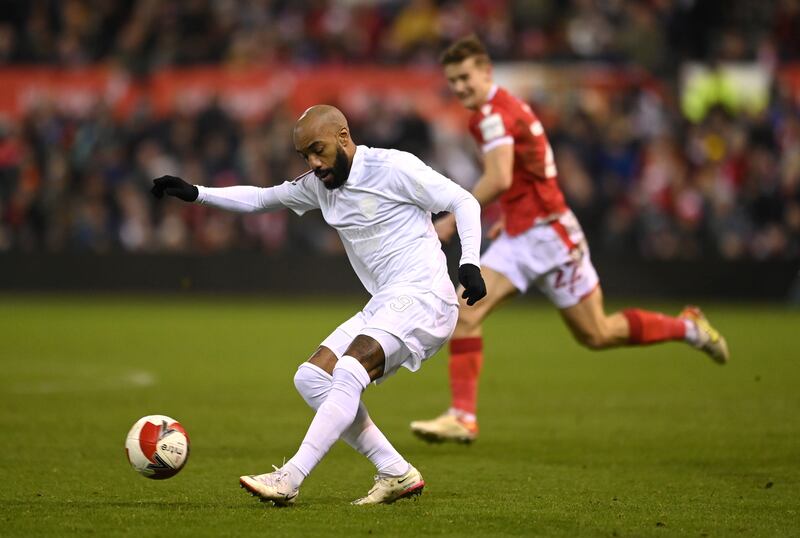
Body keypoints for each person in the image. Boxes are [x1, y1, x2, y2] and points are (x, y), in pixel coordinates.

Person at [151, 105, 486, 505]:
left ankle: (289, 477)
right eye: (304, 156)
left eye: (318, 150)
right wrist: (197, 193)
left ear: (343, 136)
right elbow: (261, 199)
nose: (313, 163)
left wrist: (469, 262)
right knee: (311, 378)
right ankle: (396, 471)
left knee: (348, 369)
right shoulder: (318, 185)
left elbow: (464, 201)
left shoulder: (393, 167)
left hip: (425, 297)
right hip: (386, 302)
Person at [410, 35, 729, 444]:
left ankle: (687, 327)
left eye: (466, 77)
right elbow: (529, 172)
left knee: (597, 333)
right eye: (453, 80)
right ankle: (463, 416)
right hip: (526, 233)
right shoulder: (504, 108)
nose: (459, 87)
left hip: (550, 236)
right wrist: (511, 214)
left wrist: (454, 218)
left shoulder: (492, 115)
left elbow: (501, 176)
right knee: (465, 309)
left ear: (486, 72)